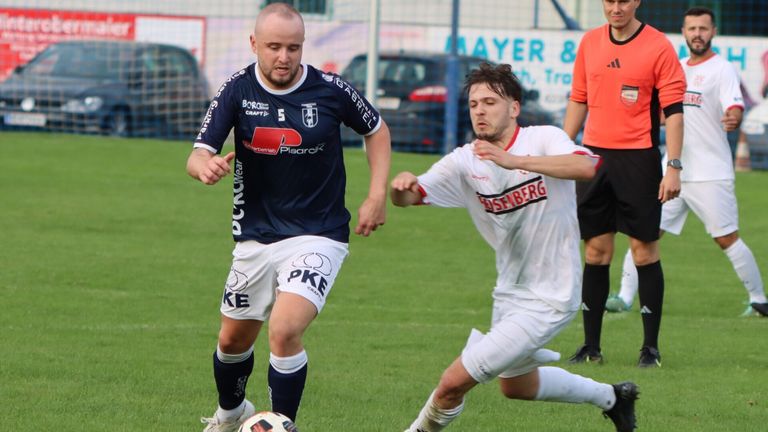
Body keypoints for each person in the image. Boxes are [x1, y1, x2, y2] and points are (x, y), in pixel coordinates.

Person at [392, 62, 638, 432]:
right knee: (518, 385)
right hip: (509, 293)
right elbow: (411, 198)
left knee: (451, 384)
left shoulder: (543, 138)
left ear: (514, 108)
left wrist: (515, 161)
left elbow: (587, 166)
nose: (480, 110)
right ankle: (614, 398)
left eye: (490, 101)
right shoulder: (465, 161)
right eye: (474, 103)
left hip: (552, 295)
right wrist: (402, 187)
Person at [186, 4, 391, 431]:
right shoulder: (237, 90)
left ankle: (282, 425)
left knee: (283, 329)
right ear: (254, 44)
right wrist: (204, 166)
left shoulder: (331, 89)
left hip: (320, 234)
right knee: (231, 342)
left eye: (293, 47)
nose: (284, 57)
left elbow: (376, 129)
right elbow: (199, 151)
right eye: (275, 47)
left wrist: (376, 196)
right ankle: (231, 414)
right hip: (256, 236)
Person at [605, 6, 768, 318]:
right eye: (692, 29)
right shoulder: (676, 68)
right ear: (683, 32)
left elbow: (734, 106)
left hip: (711, 171)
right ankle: (624, 297)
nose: (697, 34)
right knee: (645, 231)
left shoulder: (723, 69)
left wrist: (734, 117)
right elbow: (664, 114)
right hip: (673, 171)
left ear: (713, 32)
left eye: (703, 29)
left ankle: (759, 299)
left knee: (726, 238)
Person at [563, 0, 686, 368]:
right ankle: (590, 347)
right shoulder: (589, 43)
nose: (615, 8)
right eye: (609, 1)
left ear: (637, 2)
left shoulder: (658, 45)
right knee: (596, 252)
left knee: (644, 251)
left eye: (623, 0)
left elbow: (675, 113)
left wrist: (674, 166)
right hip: (594, 160)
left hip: (640, 158)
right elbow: (578, 100)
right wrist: (562, 149)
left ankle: (650, 349)